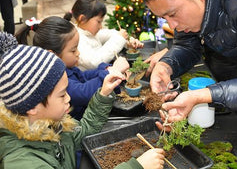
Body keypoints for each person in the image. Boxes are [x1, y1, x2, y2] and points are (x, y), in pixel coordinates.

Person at [0, 32, 165, 169]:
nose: (69, 98)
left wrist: (104, 94)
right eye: (62, 94)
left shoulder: (51, 123)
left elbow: (84, 131)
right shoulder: (23, 163)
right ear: (32, 106)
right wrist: (136, 167)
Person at [15, 16, 130, 120]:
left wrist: (106, 69)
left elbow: (84, 76)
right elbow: (83, 92)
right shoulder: (53, 80)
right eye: (73, 50)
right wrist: (112, 72)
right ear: (53, 55)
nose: (78, 53)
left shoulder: (65, 68)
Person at [65, 0, 143, 70]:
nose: (100, 26)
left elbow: (109, 34)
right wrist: (119, 39)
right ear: (82, 19)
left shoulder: (88, 32)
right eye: (98, 22)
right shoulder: (77, 39)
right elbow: (94, 62)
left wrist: (127, 41)